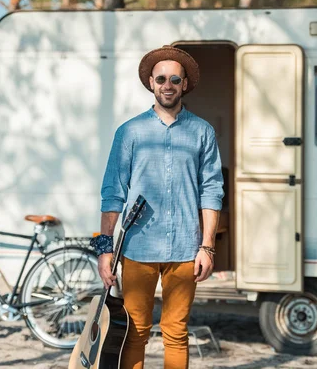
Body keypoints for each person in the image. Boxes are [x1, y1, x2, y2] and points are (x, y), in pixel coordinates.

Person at [92, 45, 224, 369]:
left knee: (176, 333)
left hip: (184, 250)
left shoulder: (202, 132)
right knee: (133, 332)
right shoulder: (129, 132)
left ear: (184, 85)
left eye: (175, 79)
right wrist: (103, 249)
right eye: (161, 78)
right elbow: (111, 194)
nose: (168, 84)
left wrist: (207, 247)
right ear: (151, 82)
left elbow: (212, 191)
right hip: (138, 250)